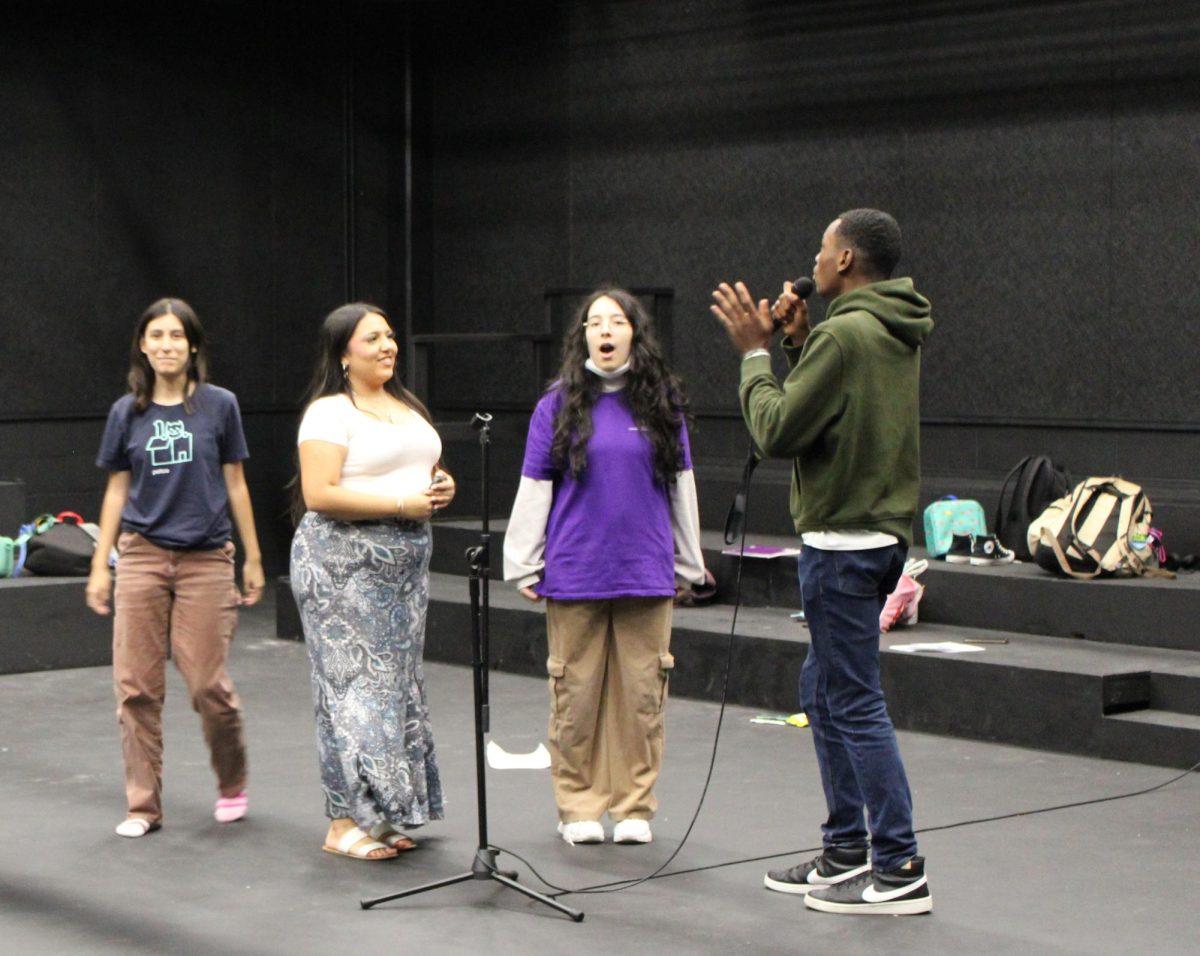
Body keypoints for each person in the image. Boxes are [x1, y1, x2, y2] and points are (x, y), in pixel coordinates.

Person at [711, 209, 935, 915]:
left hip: (840, 545)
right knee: (823, 693)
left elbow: (778, 428)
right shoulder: (885, 326)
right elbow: (830, 412)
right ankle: (847, 849)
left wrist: (755, 353)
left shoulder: (846, 331)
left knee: (853, 700)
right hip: (877, 535)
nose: (814, 257)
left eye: (821, 248)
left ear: (843, 261)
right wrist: (800, 344)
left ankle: (898, 866)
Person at [503, 288, 707, 846]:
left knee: (643, 697)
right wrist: (523, 563)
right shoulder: (557, 404)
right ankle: (579, 807)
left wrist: (690, 563)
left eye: (616, 321)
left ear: (634, 333)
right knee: (576, 697)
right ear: (584, 336)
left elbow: (680, 487)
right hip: (576, 573)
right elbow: (535, 486)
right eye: (595, 322)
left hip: (646, 572)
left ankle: (634, 806)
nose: (605, 330)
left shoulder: (662, 403)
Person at [85, 297, 263, 838]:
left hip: (207, 558)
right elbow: (117, 490)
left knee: (208, 685)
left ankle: (231, 781)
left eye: (176, 336)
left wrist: (253, 556)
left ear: (192, 346)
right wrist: (101, 564)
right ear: (143, 344)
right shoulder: (127, 412)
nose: (166, 345)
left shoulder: (219, 406)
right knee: (135, 687)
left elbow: (235, 482)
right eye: (156, 335)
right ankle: (143, 806)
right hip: (141, 556)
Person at [290, 302, 454, 861]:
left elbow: (417, 469)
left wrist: (437, 488)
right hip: (341, 566)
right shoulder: (329, 412)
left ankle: (379, 814)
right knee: (350, 693)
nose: (387, 346)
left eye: (389, 337)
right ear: (343, 355)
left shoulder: (403, 406)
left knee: (393, 690)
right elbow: (320, 493)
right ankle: (342, 822)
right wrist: (404, 501)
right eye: (372, 340)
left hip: (404, 567)